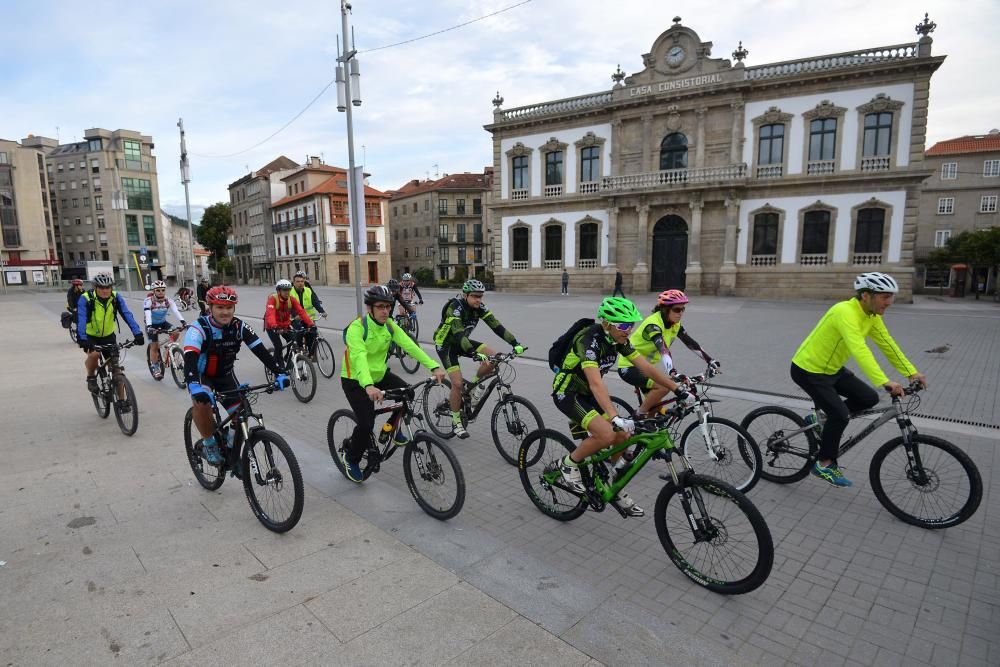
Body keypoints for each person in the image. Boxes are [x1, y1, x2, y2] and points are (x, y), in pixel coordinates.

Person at [790, 272, 927, 487]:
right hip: (809, 370)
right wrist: (885, 381)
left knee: (868, 398)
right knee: (841, 416)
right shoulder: (844, 311)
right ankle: (824, 464)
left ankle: (820, 421)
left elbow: (887, 344)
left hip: (832, 369)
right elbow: (859, 349)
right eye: (885, 297)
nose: (890, 302)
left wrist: (911, 372)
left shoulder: (872, 316)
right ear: (866, 295)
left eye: (891, 296)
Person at [552, 297, 678, 517]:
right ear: (607, 323)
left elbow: (647, 368)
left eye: (631, 325)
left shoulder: (618, 340)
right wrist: (613, 415)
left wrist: (677, 389)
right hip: (568, 392)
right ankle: (567, 465)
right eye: (623, 325)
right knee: (607, 434)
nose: (628, 330)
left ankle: (615, 488)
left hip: (588, 394)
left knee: (622, 437)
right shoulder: (588, 339)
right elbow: (595, 382)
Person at [339, 284, 446, 482]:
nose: (385, 311)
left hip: (380, 375)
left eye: (388, 307)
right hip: (355, 379)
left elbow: (410, 346)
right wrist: (369, 386)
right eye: (380, 307)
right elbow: (359, 357)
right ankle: (351, 457)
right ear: (369, 308)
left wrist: (433, 366)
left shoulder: (390, 325)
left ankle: (391, 429)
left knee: (409, 394)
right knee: (366, 423)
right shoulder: (357, 328)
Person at [183, 286, 289, 466]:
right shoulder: (198, 328)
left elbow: (261, 352)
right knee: (202, 404)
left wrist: (280, 372)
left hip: (225, 375)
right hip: (202, 376)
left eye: (229, 307)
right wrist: (194, 386)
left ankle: (232, 452)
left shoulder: (240, 326)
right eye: (220, 307)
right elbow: (190, 359)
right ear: (210, 307)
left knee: (241, 413)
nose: (225, 312)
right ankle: (209, 444)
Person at [432, 278, 523, 439]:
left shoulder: (480, 307)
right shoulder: (455, 307)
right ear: (465, 295)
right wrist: (473, 352)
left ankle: (473, 386)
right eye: (475, 296)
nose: (478, 300)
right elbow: (459, 332)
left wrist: (515, 343)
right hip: (446, 345)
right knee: (458, 384)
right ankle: (456, 421)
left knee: (495, 358)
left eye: (481, 296)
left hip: (463, 342)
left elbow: (497, 326)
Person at [616, 290, 718, 416]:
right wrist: (672, 372)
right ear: (665, 309)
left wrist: (710, 361)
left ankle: (648, 428)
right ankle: (638, 415)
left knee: (655, 409)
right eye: (676, 310)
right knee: (664, 386)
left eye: (683, 309)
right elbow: (663, 349)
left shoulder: (675, 324)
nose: (680, 313)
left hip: (647, 368)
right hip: (630, 366)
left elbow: (691, 343)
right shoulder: (653, 325)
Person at [76, 273, 144, 395]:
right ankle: (91, 377)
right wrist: (82, 338)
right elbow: (81, 319)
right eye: (101, 288)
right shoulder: (86, 298)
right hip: (91, 336)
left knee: (116, 369)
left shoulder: (116, 297)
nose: (105, 290)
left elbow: (127, 315)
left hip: (108, 336)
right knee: (94, 355)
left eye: (108, 287)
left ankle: (123, 403)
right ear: (95, 287)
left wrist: (137, 333)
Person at [264, 278, 315, 369]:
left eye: (289, 290)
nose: (287, 292)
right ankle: (275, 366)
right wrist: (274, 326)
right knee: (278, 346)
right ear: (279, 291)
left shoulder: (291, 299)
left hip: (285, 326)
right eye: (284, 290)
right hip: (272, 326)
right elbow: (270, 314)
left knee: (293, 340)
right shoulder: (272, 299)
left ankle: (287, 357)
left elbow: (301, 312)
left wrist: (310, 324)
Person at [143, 280, 186, 379]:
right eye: (158, 290)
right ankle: (156, 367)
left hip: (163, 323)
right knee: (154, 346)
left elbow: (176, 311)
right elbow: (148, 315)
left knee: (176, 332)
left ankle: (168, 348)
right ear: (154, 291)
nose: (161, 292)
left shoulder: (168, 300)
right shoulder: (148, 301)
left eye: (163, 290)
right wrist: (149, 327)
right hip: (151, 325)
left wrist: (183, 322)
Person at [289, 270, 326, 354]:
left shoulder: (308, 290)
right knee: (299, 330)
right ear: (293, 283)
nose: (300, 283)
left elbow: (315, 301)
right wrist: (295, 315)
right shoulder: (290, 292)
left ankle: (311, 354)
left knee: (312, 333)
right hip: (295, 318)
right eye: (298, 281)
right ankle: (299, 347)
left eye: (302, 281)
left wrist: (322, 311)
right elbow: (289, 307)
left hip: (307, 317)